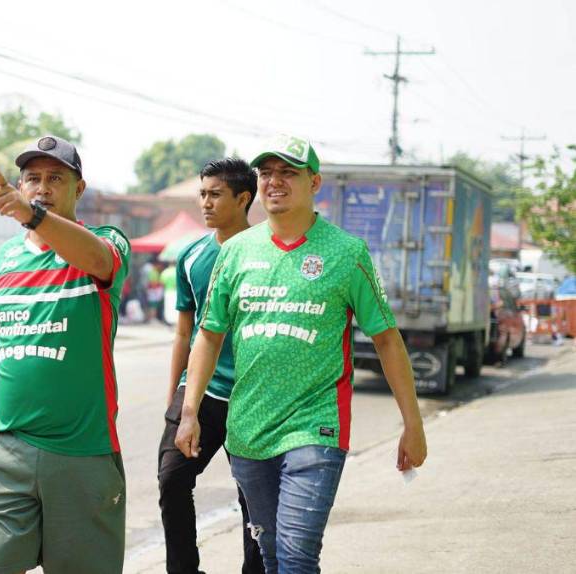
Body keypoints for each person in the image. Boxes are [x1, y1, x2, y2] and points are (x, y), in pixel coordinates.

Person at [175, 135, 427, 574]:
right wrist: (190, 411)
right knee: (272, 557)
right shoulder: (236, 252)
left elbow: (387, 340)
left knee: (296, 556)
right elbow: (209, 335)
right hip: (249, 429)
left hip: (316, 426)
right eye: (266, 173)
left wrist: (413, 424)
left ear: (314, 183)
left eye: (288, 172)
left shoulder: (346, 253)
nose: (275, 181)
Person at [0, 135, 130, 574]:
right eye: (32, 179)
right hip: (8, 449)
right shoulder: (6, 257)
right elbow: (1, 337)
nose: (42, 188)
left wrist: (33, 216)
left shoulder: (105, 241)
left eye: (55, 179)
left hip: (81, 451)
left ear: (78, 189)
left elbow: (98, 259)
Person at [158, 158, 264, 574]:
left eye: (215, 194)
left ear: (243, 198)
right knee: (172, 479)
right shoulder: (191, 256)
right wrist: (176, 397)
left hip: (252, 396)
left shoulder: (266, 254)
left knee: (253, 496)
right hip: (201, 392)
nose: (205, 202)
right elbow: (184, 333)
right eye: (202, 193)